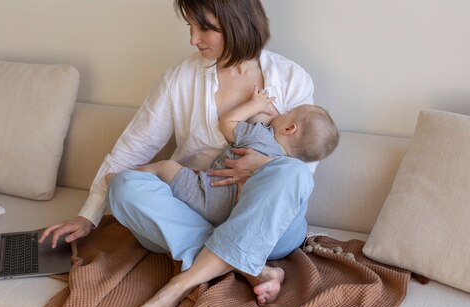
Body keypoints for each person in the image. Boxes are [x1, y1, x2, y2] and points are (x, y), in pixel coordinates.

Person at [40, 0, 319, 307]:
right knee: (123, 185)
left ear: (237, 23)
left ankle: (179, 285)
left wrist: (261, 165)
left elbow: (306, 166)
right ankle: (247, 267)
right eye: (189, 27)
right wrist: (88, 214)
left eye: (204, 28)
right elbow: (133, 147)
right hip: (195, 207)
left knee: (292, 172)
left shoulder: (293, 78)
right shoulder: (180, 79)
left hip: (268, 225)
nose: (193, 40)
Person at [107, 87, 339, 227]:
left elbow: (227, 123)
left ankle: (124, 177)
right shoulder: (285, 167)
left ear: (289, 129)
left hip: (207, 194)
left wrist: (255, 104)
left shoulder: (259, 138)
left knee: (165, 166)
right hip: (228, 215)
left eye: (287, 114)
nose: (280, 113)